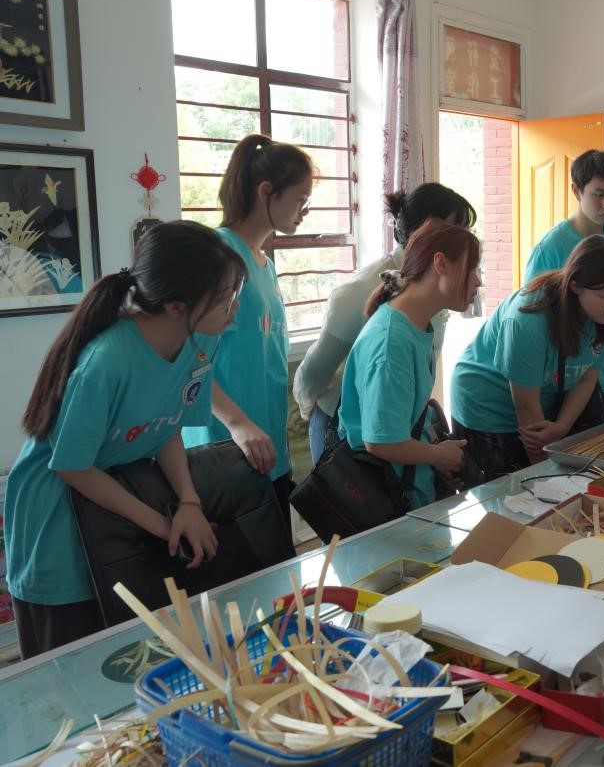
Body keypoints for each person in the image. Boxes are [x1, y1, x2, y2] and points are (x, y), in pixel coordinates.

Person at [5, 221, 245, 657]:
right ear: (177, 307)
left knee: (137, 657)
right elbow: (73, 467)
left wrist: (188, 503)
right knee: (74, 670)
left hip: (119, 507)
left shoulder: (199, 343)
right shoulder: (106, 363)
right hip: (58, 518)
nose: (235, 308)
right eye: (224, 298)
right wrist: (163, 526)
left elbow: (167, 425)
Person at [182, 134, 313, 541]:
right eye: (300, 199)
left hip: (267, 448)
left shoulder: (265, 265)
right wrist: (237, 423)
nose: (305, 211)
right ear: (265, 192)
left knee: (278, 564)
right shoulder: (219, 256)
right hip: (225, 451)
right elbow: (189, 358)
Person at [294, 183, 477, 462]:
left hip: (393, 423)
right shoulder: (360, 293)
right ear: (427, 230)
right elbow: (314, 373)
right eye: (456, 229)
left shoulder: (433, 286)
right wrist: (308, 408)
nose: (461, 240)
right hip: (345, 428)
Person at [452, 235, 604, 480]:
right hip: (488, 406)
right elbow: (526, 408)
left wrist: (561, 426)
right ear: (575, 286)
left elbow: (587, 377)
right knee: (517, 490)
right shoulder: (528, 320)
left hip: (539, 405)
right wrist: (545, 475)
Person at [336, 222, 480, 508]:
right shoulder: (391, 341)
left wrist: (435, 457)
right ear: (441, 264)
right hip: (388, 500)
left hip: (410, 489)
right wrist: (436, 455)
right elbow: (380, 441)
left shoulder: (417, 325)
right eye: (473, 268)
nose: (478, 281)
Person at [522, 149, 604, 421]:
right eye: (599, 194)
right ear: (577, 191)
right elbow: (534, 319)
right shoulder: (550, 247)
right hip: (573, 383)